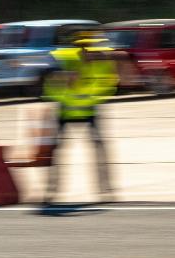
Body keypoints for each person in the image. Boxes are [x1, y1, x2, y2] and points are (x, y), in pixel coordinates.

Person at [40, 31, 118, 208]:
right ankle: (51, 192)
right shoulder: (63, 59)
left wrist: (91, 94)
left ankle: (105, 190)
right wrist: (65, 84)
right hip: (67, 112)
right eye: (83, 47)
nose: (87, 50)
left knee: (98, 150)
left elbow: (110, 86)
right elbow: (48, 87)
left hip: (88, 111)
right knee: (58, 153)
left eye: (89, 47)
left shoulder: (101, 63)